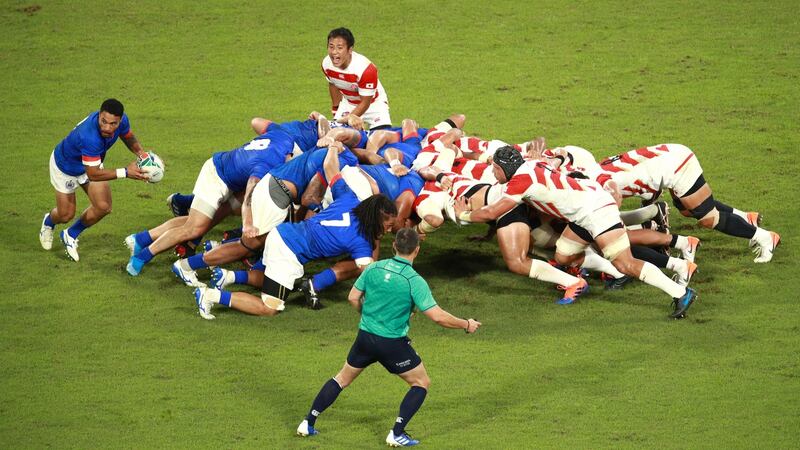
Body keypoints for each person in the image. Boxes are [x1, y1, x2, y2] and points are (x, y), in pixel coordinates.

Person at [296, 228, 481, 447]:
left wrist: (369, 314)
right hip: (391, 344)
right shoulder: (414, 280)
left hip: (365, 338)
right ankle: (397, 433)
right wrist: (466, 324)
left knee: (341, 379)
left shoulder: (374, 268)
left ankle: (308, 422)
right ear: (417, 250)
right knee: (421, 383)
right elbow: (438, 317)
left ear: (394, 246)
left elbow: (353, 297)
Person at [39, 98, 150, 261]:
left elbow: (127, 136)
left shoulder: (122, 121)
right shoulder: (89, 136)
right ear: (99, 115)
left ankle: (70, 234)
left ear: (120, 120)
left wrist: (142, 154)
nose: (107, 128)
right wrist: (126, 172)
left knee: (103, 206)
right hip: (66, 167)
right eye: (103, 121)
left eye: (113, 124)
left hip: (92, 161)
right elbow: (93, 175)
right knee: (65, 215)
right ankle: (48, 222)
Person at [322, 27, 391, 130]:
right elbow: (333, 83)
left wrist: (350, 117)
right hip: (348, 103)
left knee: (382, 137)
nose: (334, 52)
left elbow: (365, 102)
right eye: (331, 47)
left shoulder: (365, 69)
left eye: (339, 48)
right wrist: (336, 109)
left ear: (350, 49)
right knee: (337, 136)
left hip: (374, 104)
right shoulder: (326, 64)